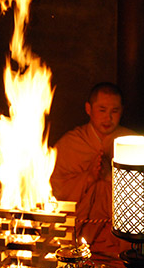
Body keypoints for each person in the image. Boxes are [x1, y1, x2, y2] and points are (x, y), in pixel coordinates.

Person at [50, 82, 134, 255]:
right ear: (88, 109)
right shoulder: (71, 143)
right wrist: (87, 178)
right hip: (80, 236)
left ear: (122, 111)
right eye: (102, 110)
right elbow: (54, 185)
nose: (108, 118)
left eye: (114, 111)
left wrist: (110, 176)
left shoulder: (132, 143)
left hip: (118, 239)